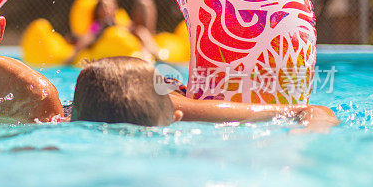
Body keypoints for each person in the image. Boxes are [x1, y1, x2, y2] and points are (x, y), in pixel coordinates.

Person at [70, 56, 340, 130]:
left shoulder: (59, 115)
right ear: (174, 114)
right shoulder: (180, 109)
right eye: (165, 81)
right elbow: (313, 111)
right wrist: (305, 138)